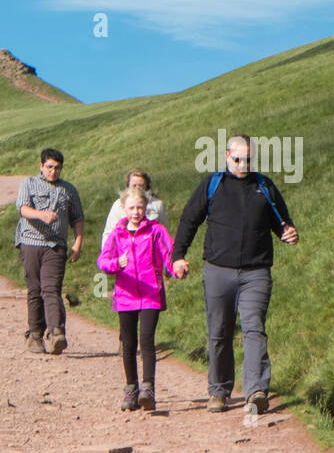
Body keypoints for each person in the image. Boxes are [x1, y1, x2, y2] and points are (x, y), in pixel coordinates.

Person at [171, 133, 298, 415]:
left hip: (256, 272)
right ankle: (219, 391)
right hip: (218, 271)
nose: (243, 164)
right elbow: (189, 219)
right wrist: (178, 256)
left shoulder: (264, 186)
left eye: (248, 159)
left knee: (254, 329)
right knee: (219, 332)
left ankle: (256, 391)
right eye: (238, 159)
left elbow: (282, 222)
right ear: (227, 156)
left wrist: (288, 233)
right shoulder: (213, 184)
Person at [98, 185, 175, 411]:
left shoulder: (156, 231)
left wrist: (175, 270)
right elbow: (103, 261)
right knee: (129, 344)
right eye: (131, 208)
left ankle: (148, 389)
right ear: (123, 209)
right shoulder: (116, 235)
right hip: (125, 295)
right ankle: (131, 389)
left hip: (151, 293)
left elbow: (168, 255)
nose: (136, 212)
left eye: (140, 208)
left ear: (146, 209)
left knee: (147, 341)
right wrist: (115, 265)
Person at [16, 147, 84, 354]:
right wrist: (41, 215)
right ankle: (35, 335)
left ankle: (56, 333)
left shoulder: (69, 190)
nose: (53, 171)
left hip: (56, 246)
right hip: (30, 242)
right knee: (35, 290)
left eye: (57, 168)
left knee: (51, 288)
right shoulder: (28, 183)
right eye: (49, 167)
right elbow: (22, 208)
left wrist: (78, 242)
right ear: (41, 166)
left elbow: (77, 218)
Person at [101, 168, 168, 251]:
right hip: (124, 255)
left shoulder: (157, 205)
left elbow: (164, 235)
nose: (137, 188)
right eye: (134, 185)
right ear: (128, 185)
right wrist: (108, 257)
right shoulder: (118, 205)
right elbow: (109, 233)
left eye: (141, 185)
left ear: (146, 186)